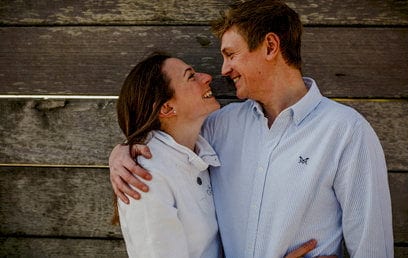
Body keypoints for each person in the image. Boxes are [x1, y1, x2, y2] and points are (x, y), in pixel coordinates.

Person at [108, 0, 393, 257]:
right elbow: (166, 137)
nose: (223, 70)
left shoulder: (346, 132)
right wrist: (123, 151)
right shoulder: (219, 125)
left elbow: (372, 249)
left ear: (270, 46)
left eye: (231, 54)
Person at [112, 52, 223, 257]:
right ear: (167, 107)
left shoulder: (196, 151)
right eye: (191, 76)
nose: (207, 77)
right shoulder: (146, 177)